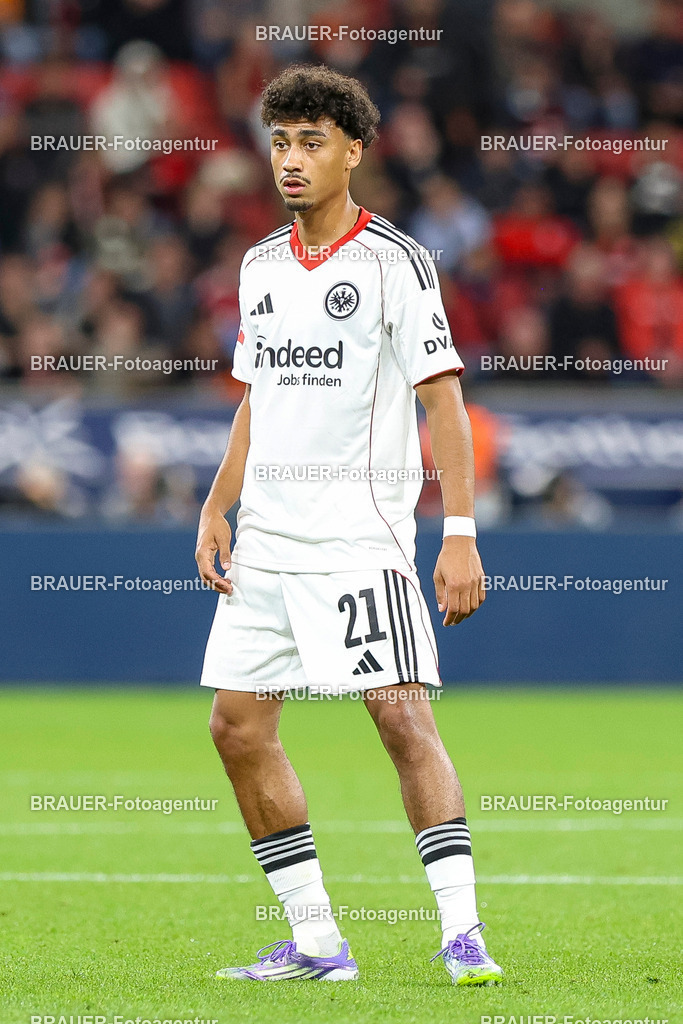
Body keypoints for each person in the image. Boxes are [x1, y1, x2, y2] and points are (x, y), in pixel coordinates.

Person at [195, 65, 503, 987]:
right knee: (237, 727)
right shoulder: (257, 266)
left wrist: (459, 532)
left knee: (400, 717)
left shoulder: (394, 264)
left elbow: (443, 405)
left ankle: (461, 935)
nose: (291, 159)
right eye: (281, 141)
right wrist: (218, 503)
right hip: (269, 545)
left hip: (357, 541)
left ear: (354, 150)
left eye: (312, 141)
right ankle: (318, 942)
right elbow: (258, 398)